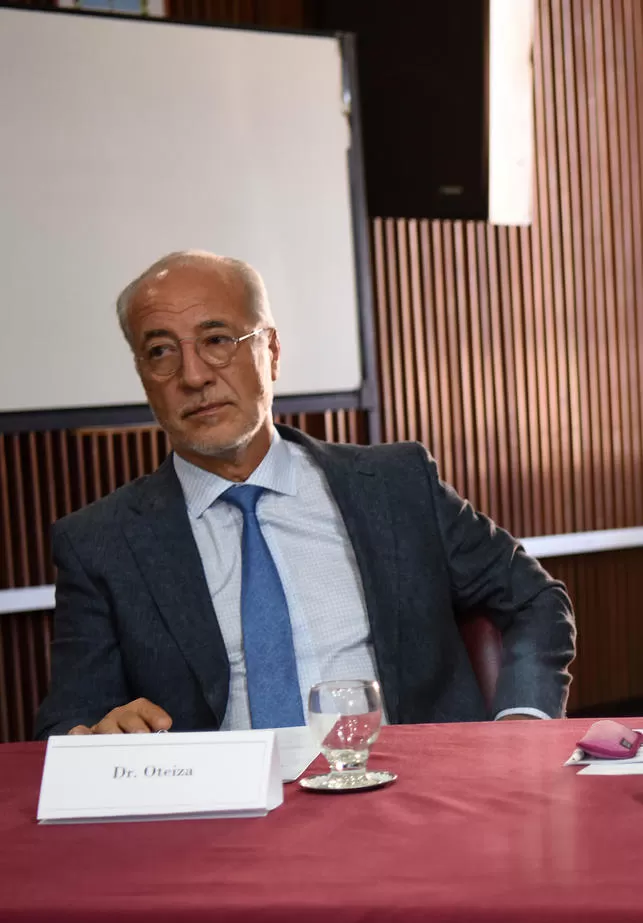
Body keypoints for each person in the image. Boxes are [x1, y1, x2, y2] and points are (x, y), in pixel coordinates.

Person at [35, 251, 576, 738]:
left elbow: (534, 598)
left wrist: (520, 727)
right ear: (144, 376)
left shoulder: (395, 485)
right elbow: (70, 718)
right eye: (160, 352)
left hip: (413, 802)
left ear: (270, 351)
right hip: (220, 825)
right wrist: (96, 734)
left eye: (218, 340)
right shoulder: (100, 543)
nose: (194, 375)